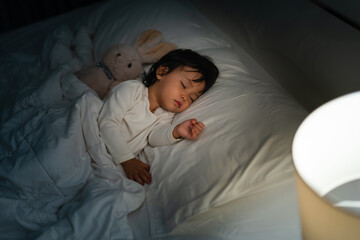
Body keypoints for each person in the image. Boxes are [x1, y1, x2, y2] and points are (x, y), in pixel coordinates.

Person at [98, 49, 219, 185]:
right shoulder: (132, 90)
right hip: (96, 141)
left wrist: (176, 131)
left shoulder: (166, 114)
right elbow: (107, 123)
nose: (185, 97)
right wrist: (128, 160)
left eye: (192, 98)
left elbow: (153, 137)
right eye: (184, 85)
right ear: (162, 72)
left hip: (110, 159)